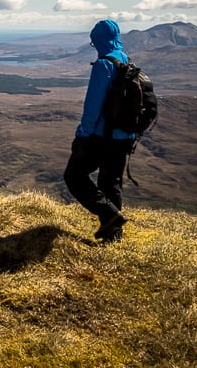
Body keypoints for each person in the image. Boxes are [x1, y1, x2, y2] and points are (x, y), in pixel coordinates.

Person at [64, 19, 135, 242]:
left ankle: (109, 214)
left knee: (74, 176)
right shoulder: (126, 61)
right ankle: (114, 236)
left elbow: (93, 106)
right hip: (124, 137)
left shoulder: (105, 64)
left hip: (102, 136)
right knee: (111, 182)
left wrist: (82, 134)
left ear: (98, 41)